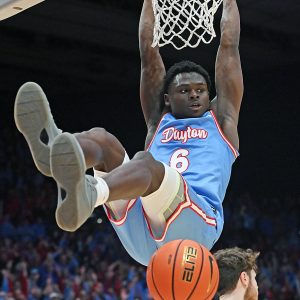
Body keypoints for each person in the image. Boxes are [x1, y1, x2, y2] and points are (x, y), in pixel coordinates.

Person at [14, 0, 243, 266]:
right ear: (167, 98)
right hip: (142, 228)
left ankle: (92, 192)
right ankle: (53, 150)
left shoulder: (222, 121)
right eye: (184, 90)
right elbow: (149, 56)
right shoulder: (159, 123)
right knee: (102, 140)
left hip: (194, 225)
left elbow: (229, 47)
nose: (194, 94)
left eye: (200, 90)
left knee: (146, 162)